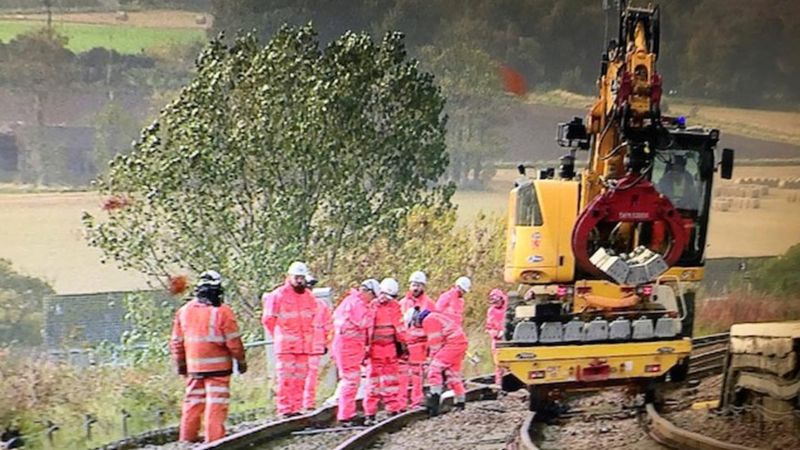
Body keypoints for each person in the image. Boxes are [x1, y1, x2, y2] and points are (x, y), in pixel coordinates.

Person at [171, 270, 246, 443]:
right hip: (219, 369)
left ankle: (186, 440)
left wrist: (181, 364)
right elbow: (234, 342)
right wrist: (241, 361)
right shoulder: (223, 312)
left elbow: (177, 342)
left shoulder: (183, 312)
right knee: (216, 404)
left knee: (192, 402)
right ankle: (214, 441)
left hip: (193, 369)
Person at [261, 262, 318, 418]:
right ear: (289, 277)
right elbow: (268, 319)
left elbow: (312, 318)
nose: (299, 280)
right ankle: (285, 409)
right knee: (286, 378)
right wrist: (279, 335)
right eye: (297, 277)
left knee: (300, 377)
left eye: (302, 277)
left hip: (303, 345)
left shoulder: (309, 296)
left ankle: (296, 408)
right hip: (286, 345)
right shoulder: (278, 295)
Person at [331, 279, 380, 426]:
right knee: (351, 381)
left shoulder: (350, 301)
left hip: (348, 347)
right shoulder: (357, 304)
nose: (373, 301)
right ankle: (346, 416)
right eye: (373, 297)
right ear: (368, 292)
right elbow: (364, 322)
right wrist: (373, 313)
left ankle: (347, 413)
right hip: (348, 347)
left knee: (351, 380)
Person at [408, 309, 468, 417]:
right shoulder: (435, 316)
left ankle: (434, 399)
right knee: (452, 374)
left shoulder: (429, 320)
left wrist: (431, 360)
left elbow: (435, 343)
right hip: (458, 343)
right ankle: (460, 402)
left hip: (452, 344)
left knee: (434, 370)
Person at [363, 278, 407, 425]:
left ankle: (392, 409)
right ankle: (370, 413)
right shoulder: (372, 306)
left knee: (391, 381)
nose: (384, 298)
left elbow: (399, 328)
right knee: (373, 382)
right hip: (375, 349)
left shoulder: (394, 307)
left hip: (390, 349)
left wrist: (403, 346)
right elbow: (367, 328)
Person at [397, 271, 435, 409]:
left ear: (423, 286)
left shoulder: (429, 304)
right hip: (404, 344)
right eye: (413, 285)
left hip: (420, 344)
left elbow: (433, 325)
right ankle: (400, 404)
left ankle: (416, 401)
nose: (415, 288)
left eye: (418, 285)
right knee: (402, 376)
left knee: (417, 375)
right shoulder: (402, 303)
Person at [303, 286, 332, 412]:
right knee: (310, 376)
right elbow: (329, 327)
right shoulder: (321, 305)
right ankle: (307, 402)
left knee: (306, 376)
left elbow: (328, 326)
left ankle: (304, 403)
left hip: (307, 347)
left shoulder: (301, 305)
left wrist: (326, 343)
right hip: (312, 347)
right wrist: (326, 343)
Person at [484, 288, 508, 386]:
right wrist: (495, 333)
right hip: (497, 341)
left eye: (497, 301)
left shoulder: (508, 307)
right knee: (498, 364)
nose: (496, 304)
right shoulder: (491, 311)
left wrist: (505, 331)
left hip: (509, 340)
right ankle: (499, 385)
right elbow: (488, 327)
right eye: (494, 302)